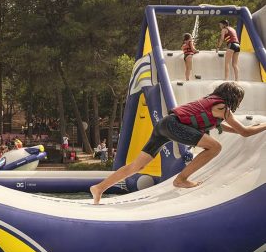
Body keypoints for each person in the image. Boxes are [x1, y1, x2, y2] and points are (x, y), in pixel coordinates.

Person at [90, 82, 266, 204]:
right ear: (234, 97)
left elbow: (228, 128)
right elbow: (245, 132)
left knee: (136, 166)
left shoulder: (211, 103)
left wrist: (257, 126)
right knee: (215, 147)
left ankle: (99, 188)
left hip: (165, 125)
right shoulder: (223, 108)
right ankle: (181, 179)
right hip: (173, 126)